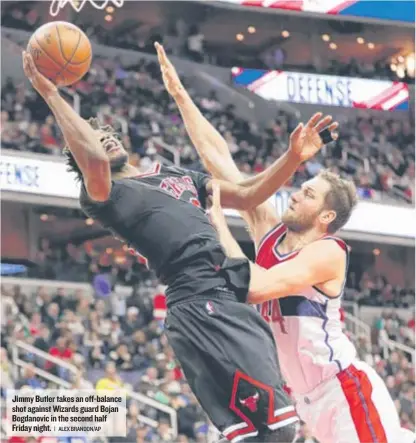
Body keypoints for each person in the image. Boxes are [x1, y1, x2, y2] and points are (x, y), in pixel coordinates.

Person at [21, 50, 321, 442]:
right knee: (278, 427)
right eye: (95, 137)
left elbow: (247, 194)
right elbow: (92, 159)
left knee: (261, 432)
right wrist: (51, 94)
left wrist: (292, 158)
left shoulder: (175, 173)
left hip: (228, 295)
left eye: (107, 132)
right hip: (199, 301)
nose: (105, 137)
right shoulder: (103, 194)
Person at [155, 45, 415, 443]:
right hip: (310, 402)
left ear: (326, 217)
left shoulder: (329, 253)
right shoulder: (270, 233)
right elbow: (220, 161)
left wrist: (221, 224)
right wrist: (179, 95)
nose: (294, 195)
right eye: (300, 188)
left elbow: (256, 287)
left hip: (345, 391)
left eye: (308, 195)